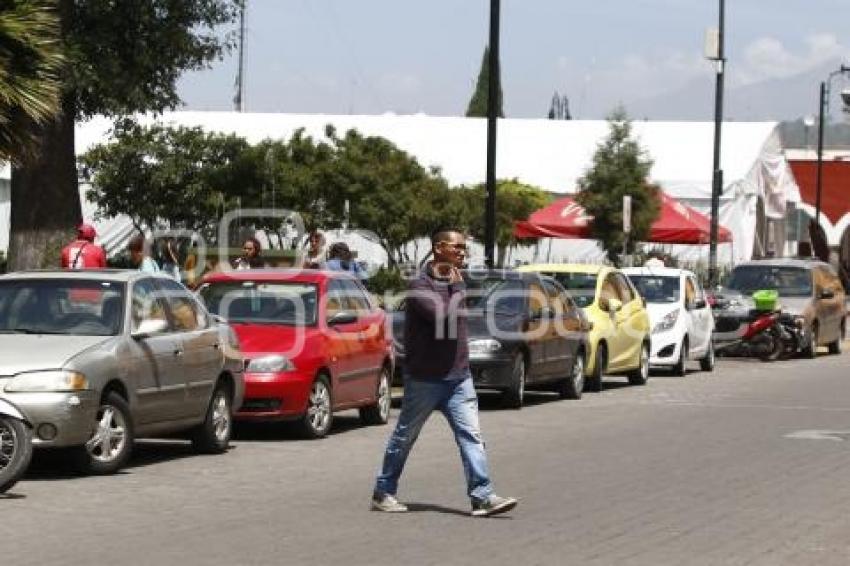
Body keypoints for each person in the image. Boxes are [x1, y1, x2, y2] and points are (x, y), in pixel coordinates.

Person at [371, 227, 518, 517]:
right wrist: (459, 289)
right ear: (439, 248)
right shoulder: (420, 285)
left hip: (458, 377)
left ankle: (482, 496)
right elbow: (441, 316)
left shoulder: (459, 281)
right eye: (457, 247)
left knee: (471, 436)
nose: (463, 252)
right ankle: (383, 491)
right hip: (425, 378)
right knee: (405, 436)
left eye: (465, 248)